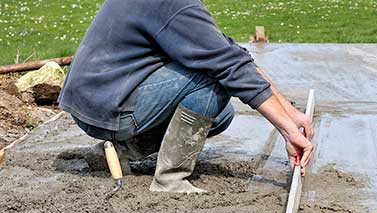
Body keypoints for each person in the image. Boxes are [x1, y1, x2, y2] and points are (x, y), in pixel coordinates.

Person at [58, 0, 313, 193]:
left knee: (220, 114)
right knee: (213, 80)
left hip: (98, 97)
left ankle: (123, 150)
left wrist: (289, 113)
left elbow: (230, 52)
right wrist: (288, 132)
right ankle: (170, 180)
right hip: (107, 105)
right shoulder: (172, 4)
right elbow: (227, 67)